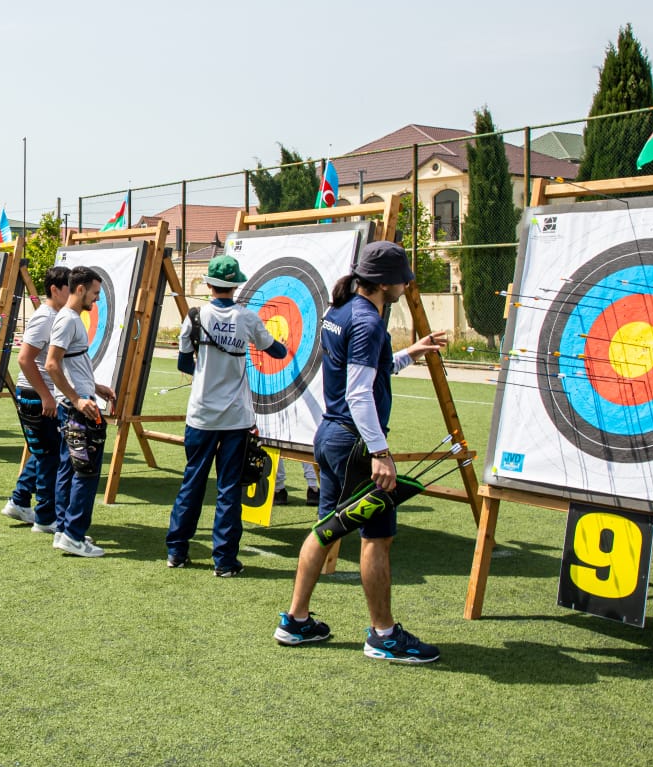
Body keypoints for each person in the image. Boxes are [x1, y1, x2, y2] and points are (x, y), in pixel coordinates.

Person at [274, 241, 447, 663]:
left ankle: (295, 621)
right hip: (355, 443)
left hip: (331, 436)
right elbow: (359, 393)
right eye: (403, 279)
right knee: (377, 537)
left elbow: (365, 372)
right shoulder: (369, 322)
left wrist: (409, 353)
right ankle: (383, 635)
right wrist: (380, 453)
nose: (407, 285)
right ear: (385, 283)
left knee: (326, 529)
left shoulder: (340, 311)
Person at [165, 256, 288, 576]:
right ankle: (224, 561)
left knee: (192, 482)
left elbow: (183, 363)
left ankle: (177, 551)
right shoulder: (246, 318)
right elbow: (277, 352)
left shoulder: (195, 316)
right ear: (236, 285)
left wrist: (205, 371)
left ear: (208, 284)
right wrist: (281, 344)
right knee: (229, 488)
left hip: (201, 416)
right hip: (235, 418)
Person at [44, 266, 116, 557]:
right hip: (77, 409)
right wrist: (76, 399)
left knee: (69, 468)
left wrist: (95, 386)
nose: (96, 299)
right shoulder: (68, 320)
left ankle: (64, 530)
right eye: (95, 293)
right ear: (80, 289)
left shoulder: (71, 319)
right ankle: (73, 535)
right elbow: (52, 364)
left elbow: (72, 364)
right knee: (85, 473)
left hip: (77, 402)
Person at [1, 266, 71, 533]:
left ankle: (19, 501)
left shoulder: (57, 316)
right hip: (36, 395)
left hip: (42, 394)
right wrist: (45, 396)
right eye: (70, 288)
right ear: (55, 289)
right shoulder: (46, 317)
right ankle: (45, 517)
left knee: (44, 451)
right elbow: (24, 359)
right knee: (50, 456)